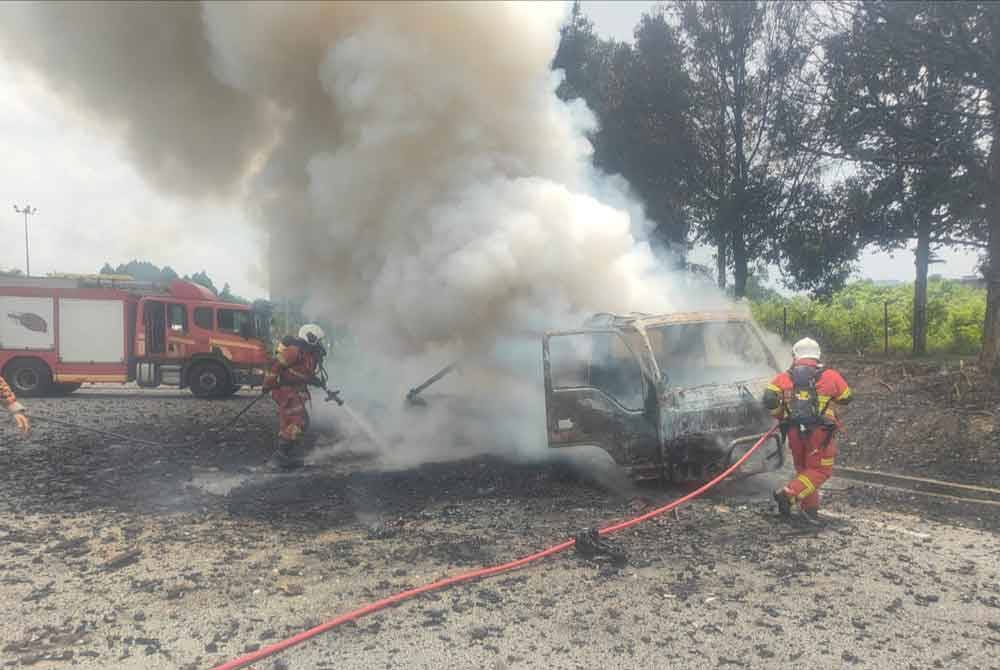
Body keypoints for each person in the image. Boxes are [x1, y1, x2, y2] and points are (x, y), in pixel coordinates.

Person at [762, 337, 852, 525]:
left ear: (795, 356)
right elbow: (846, 397)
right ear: (817, 356)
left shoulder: (784, 377)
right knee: (820, 471)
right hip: (820, 434)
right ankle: (788, 494)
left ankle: (809, 511)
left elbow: (769, 398)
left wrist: (779, 414)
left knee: (805, 470)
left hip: (794, 432)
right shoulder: (830, 375)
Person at [261, 324, 329, 470]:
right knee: (298, 421)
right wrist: (268, 384)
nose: (320, 343)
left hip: (294, 390)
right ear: (310, 337)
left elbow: (302, 373)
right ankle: (278, 458)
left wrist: (315, 381)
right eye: (318, 340)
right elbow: (274, 366)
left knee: (301, 421)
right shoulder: (294, 351)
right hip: (284, 390)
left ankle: (285, 455)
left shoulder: (308, 354)